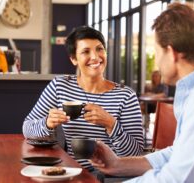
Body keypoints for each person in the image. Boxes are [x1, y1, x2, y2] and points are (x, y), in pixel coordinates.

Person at [90, 2, 194, 182]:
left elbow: (180, 179)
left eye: (157, 52)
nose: (157, 61)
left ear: (171, 53)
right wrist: (118, 164)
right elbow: (180, 155)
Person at [23, 26, 144, 171]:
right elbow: (27, 128)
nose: (95, 57)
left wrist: (111, 124)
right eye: (86, 51)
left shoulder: (126, 96)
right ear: (74, 59)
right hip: (68, 172)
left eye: (99, 49)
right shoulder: (59, 86)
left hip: (108, 176)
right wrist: (47, 123)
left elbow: (136, 153)